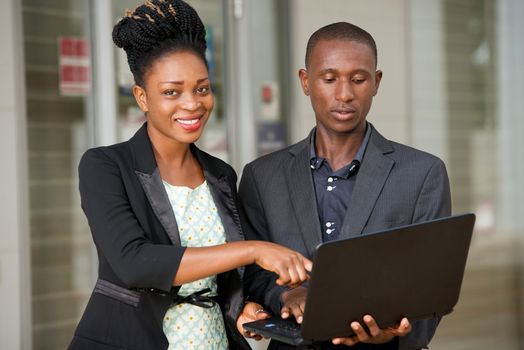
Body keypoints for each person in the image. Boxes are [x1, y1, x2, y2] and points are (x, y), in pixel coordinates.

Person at [68, 1, 312, 349]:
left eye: (202, 88)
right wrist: (254, 249)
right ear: (142, 97)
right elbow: (135, 262)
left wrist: (243, 309)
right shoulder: (105, 166)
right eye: (171, 92)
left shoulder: (220, 175)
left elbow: (223, 281)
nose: (192, 103)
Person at [239, 22, 451, 350]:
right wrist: (286, 293)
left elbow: (433, 285)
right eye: (329, 79)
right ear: (306, 81)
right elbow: (250, 273)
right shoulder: (261, 177)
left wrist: (391, 333)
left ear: (376, 82)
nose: (344, 94)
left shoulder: (422, 174)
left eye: (358, 79)